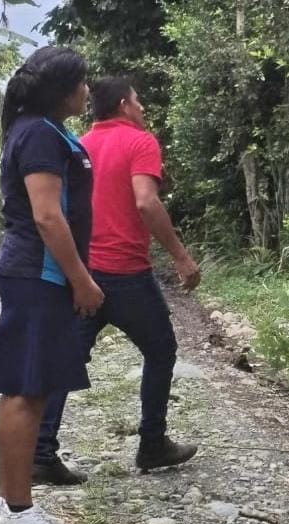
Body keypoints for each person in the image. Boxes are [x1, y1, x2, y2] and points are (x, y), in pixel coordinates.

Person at [33, 77, 201, 486]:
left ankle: (40, 454)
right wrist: (181, 257)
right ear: (125, 104)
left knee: (67, 358)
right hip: (127, 274)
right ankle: (152, 443)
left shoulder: (79, 144)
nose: (142, 107)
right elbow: (146, 201)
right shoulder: (140, 142)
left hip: (84, 274)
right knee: (161, 350)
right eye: (138, 100)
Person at [0, 46, 100, 524]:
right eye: (82, 81)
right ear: (62, 89)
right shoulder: (38, 132)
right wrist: (81, 280)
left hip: (41, 272)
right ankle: (16, 511)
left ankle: (11, 503)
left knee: (31, 386)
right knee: (26, 388)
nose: (87, 90)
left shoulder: (44, 129)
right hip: (38, 272)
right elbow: (47, 215)